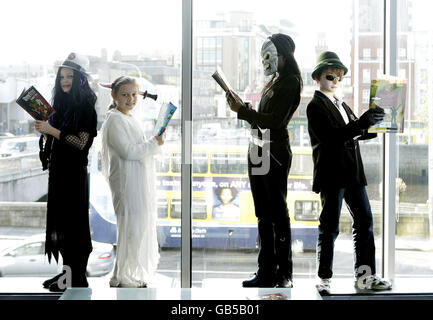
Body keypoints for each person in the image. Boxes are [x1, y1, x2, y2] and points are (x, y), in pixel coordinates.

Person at [306, 51, 392, 295]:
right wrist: (361, 124)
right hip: (332, 173)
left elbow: (356, 132)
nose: (335, 81)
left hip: (352, 172)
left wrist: (378, 124)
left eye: (339, 78)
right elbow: (332, 137)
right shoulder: (315, 106)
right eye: (330, 76)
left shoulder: (341, 104)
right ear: (318, 78)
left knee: (364, 222)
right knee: (330, 226)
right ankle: (323, 278)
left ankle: (365, 277)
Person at [226, 33, 303, 288]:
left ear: (283, 55)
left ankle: (283, 274)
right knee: (263, 214)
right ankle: (266, 271)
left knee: (277, 213)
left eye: (271, 55)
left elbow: (275, 122)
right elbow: (264, 116)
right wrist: (245, 108)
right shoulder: (275, 82)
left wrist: (243, 112)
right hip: (259, 149)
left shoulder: (290, 82)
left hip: (274, 152)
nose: (266, 61)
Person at [35, 52, 97, 292]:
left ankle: (76, 277)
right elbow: (59, 137)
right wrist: (45, 128)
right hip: (60, 171)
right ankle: (67, 274)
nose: (64, 81)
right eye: (62, 77)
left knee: (74, 226)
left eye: (70, 76)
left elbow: (80, 143)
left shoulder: (85, 108)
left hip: (74, 173)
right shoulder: (62, 106)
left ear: (80, 78)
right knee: (63, 224)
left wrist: (52, 130)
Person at [100, 76, 165, 288]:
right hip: (127, 186)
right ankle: (123, 277)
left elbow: (137, 149)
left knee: (135, 230)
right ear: (114, 96)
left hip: (135, 183)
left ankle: (125, 275)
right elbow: (128, 152)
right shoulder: (114, 120)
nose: (130, 99)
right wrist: (153, 143)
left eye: (134, 94)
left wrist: (153, 142)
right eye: (125, 95)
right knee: (130, 230)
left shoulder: (127, 118)